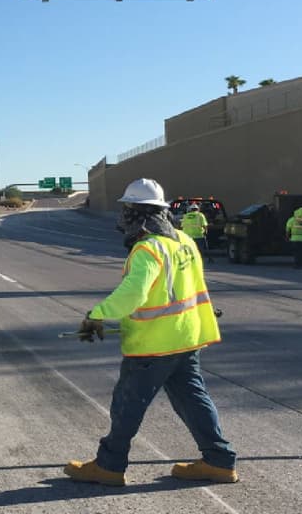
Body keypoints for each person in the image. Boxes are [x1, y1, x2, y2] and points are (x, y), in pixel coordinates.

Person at [65, 178, 237, 487]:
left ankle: (109, 466)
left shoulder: (148, 248)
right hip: (187, 338)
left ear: (138, 214)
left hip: (154, 345)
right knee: (193, 400)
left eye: (128, 210)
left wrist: (97, 315)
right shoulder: (183, 241)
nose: (124, 217)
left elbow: (134, 294)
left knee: (127, 404)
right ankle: (219, 461)